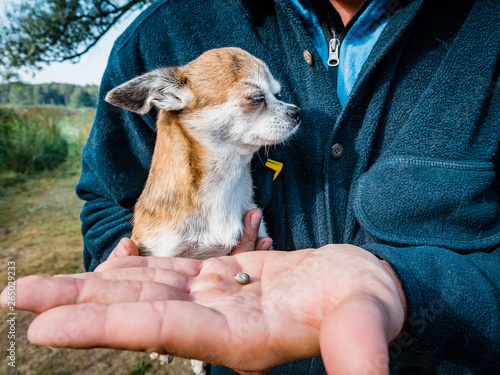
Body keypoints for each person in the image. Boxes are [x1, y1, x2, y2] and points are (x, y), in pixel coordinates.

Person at [2, 0, 499, 373]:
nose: (284, 113)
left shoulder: (486, 27)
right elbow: (108, 198)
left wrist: (409, 289)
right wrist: (133, 257)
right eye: (254, 101)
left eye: (272, 99)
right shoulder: (163, 35)